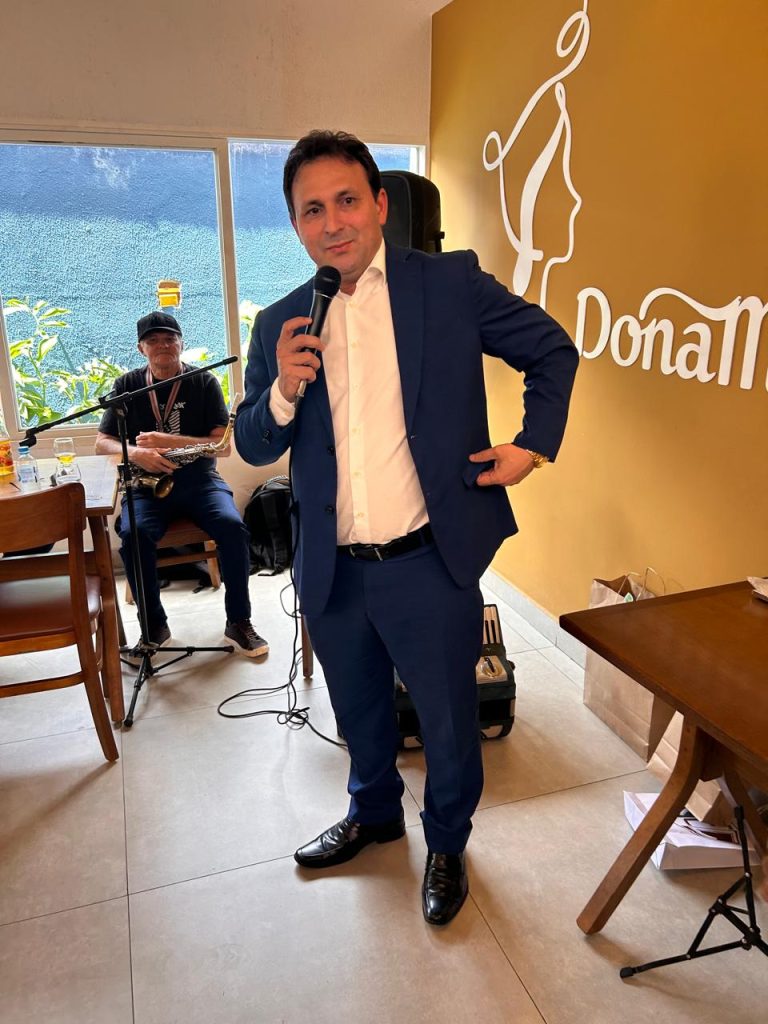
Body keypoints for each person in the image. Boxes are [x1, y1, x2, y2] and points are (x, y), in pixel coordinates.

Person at [234, 130, 578, 925]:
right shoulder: (283, 321)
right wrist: (282, 391)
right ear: (295, 225)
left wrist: (531, 447)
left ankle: (448, 843)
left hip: (429, 560)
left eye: (347, 200)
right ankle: (375, 814)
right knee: (358, 710)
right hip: (333, 570)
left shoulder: (449, 285)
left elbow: (551, 350)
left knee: (449, 721)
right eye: (311, 209)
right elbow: (252, 443)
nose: (332, 223)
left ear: (381, 204)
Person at [95, 311, 268, 661]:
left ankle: (239, 621)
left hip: (199, 481)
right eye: (153, 340)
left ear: (181, 343)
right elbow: (102, 442)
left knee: (233, 528)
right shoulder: (126, 385)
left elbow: (222, 445)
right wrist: (137, 453)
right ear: (141, 348)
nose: (163, 346)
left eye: (170, 339)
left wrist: (168, 441)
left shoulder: (203, 382)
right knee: (134, 535)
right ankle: (153, 627)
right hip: (145, 485)